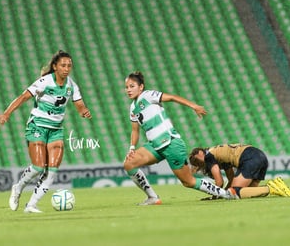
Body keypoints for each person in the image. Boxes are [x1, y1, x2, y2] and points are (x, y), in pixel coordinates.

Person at [123, 71, 238, 205]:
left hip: (170, 143)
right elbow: (134, 130)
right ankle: (153, 198)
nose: (129, 90)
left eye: (132, 86)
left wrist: (193, 106)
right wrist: (132, 147)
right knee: (129, 164)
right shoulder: (132, 108)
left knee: (188, 182)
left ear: (141, 87)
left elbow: (171, 97)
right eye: (127, 87)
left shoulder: (147, 95)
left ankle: (227, 194)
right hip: (155, 145)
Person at [0, 50, 91, 213]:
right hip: (37, 126)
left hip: (56, 129)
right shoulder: (44, 82)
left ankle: (31, 205)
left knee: (52, 170)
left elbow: (79, 104)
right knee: (38, 167)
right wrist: (6, 114)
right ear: (55, 67)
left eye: (69, 65)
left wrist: (83, 111)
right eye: (63, 65)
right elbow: (22, 97)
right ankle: (18, 188)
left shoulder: (71, 86)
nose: (66, 68)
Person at [189, 144, 290, 199]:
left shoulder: (208, 157)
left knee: (234, 192)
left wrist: (215, 196)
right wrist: (223, 193)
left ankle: (271, 188)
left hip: (248, 158)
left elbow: (219, 182)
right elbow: (231, 179)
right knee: (250, 192)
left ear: (200, 153)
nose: (198, 164)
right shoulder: (219, 155)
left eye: (196, 161)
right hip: (259, 155)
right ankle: (277, 185)